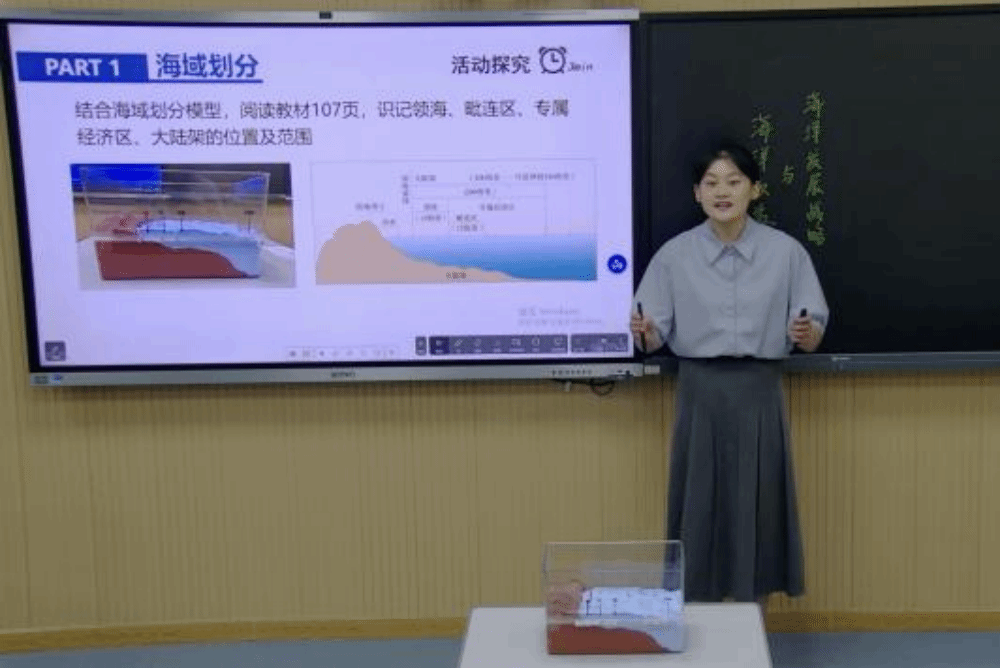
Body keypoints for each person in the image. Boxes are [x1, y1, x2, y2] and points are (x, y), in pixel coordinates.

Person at [631, 139, 829, 608]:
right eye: (711, 183)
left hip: (760, 390)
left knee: (758, 508)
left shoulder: (786, 253)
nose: (722, 192)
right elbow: (651, 334)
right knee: (698, 506)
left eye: (734, 182)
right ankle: (698, 619)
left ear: (755, 190)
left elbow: (812, 329)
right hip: (698, 390)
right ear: (697, 193)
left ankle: (751, 621)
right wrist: (645, 331)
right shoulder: (674, 256)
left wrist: (806, 332)